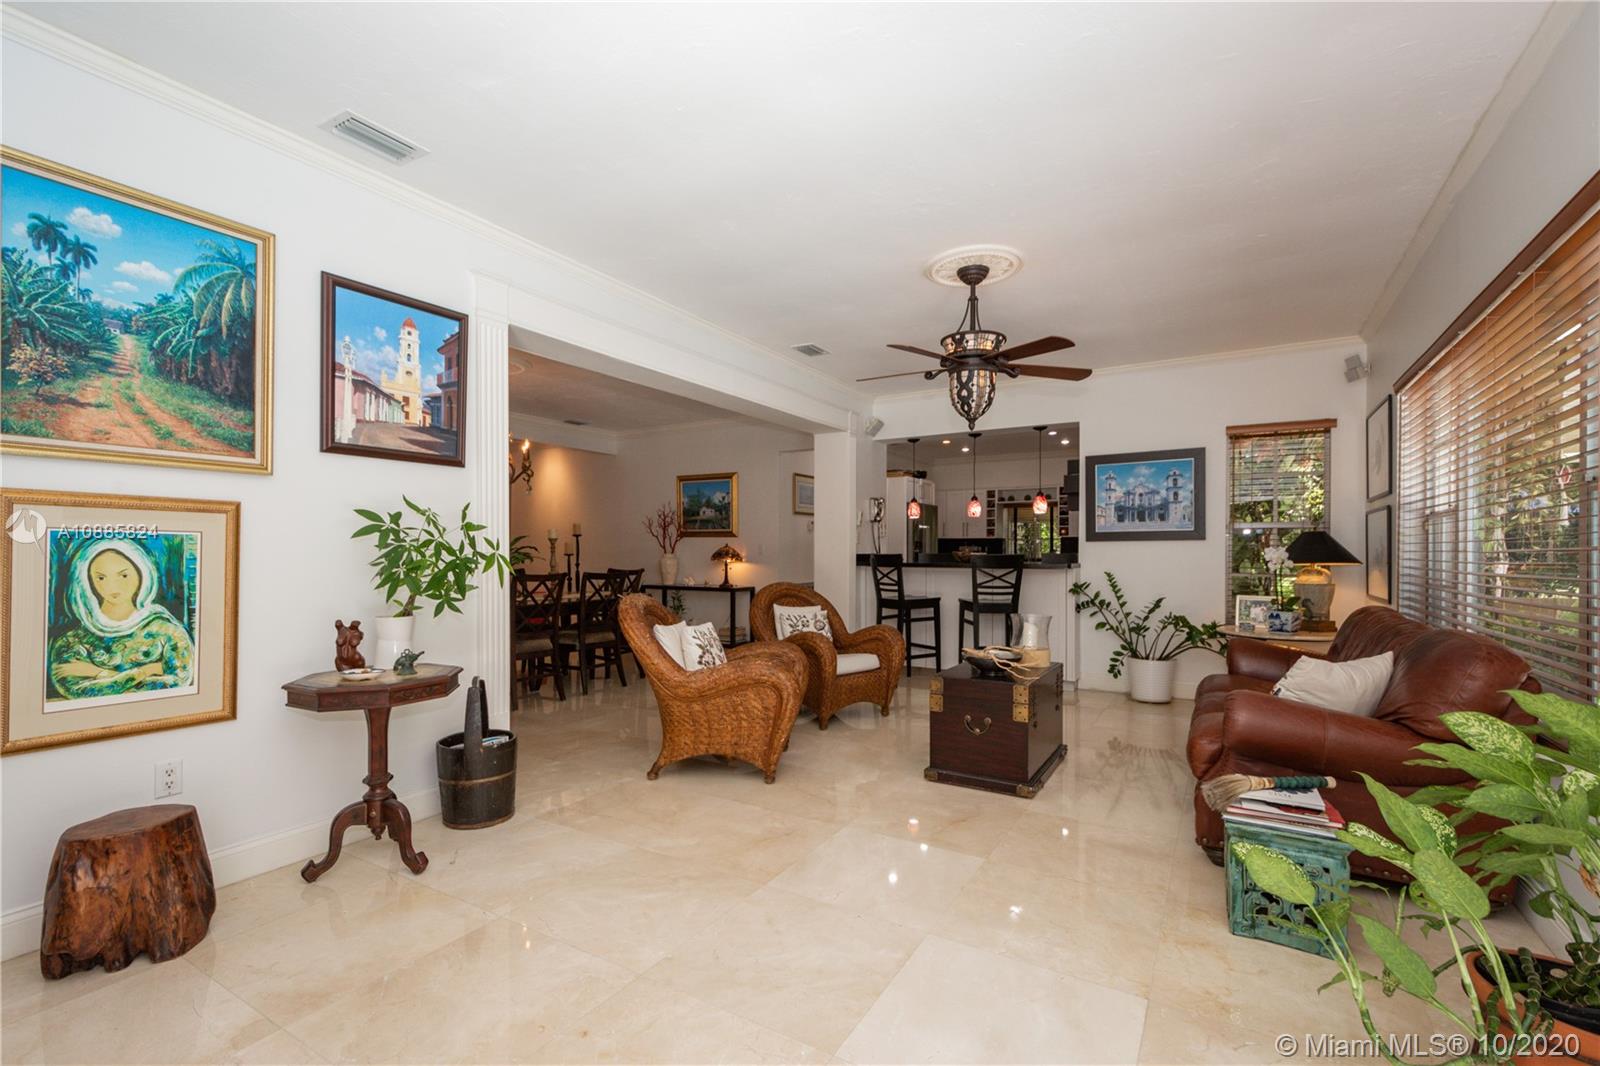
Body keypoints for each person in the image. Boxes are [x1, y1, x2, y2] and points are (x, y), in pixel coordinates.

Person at [47, 537, 194, 702]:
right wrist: (145, 671)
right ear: (87, 581)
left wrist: (99, 673)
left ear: (142, 573)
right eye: (101, 578)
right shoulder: (73, 640)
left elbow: (177, 683)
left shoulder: (168, 631)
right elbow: (75, 689)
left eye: (123, 575)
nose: (113, 586)